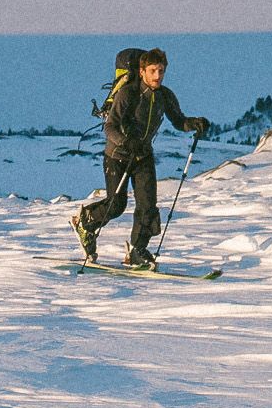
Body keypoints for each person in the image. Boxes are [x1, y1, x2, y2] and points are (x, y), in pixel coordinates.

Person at [70, 48, 209, 269]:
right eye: (153, 71)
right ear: (142, 71)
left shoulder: (165, 95)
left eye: (161, 71)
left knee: (148, 206)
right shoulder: (129, 94)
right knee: (116, 205)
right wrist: (126, 142)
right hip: (117, 155)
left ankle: (137, 250)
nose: (157, 76)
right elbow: (110, 127)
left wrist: (195, 123)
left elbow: (178, 120)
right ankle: (86, 221)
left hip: (143, 156)